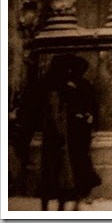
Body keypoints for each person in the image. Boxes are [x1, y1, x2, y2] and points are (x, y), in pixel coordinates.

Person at [37, 54, 80, 210]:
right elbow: (57, 112)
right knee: (60, 170)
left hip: (48, 133)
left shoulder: (45, 82)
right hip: (58, 134)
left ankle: (45, 205)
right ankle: (60, 204)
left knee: (48, 171)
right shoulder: (61, 87)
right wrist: (61, 134)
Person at [65, 55, 101, 204]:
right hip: (76, 127)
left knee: (80, 158)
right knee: (79, 158)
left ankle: (83, 189)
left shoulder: (82, 85)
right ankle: (81, 190)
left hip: (79, 128)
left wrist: (88, 116)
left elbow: (93, 105)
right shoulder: (75, 85)